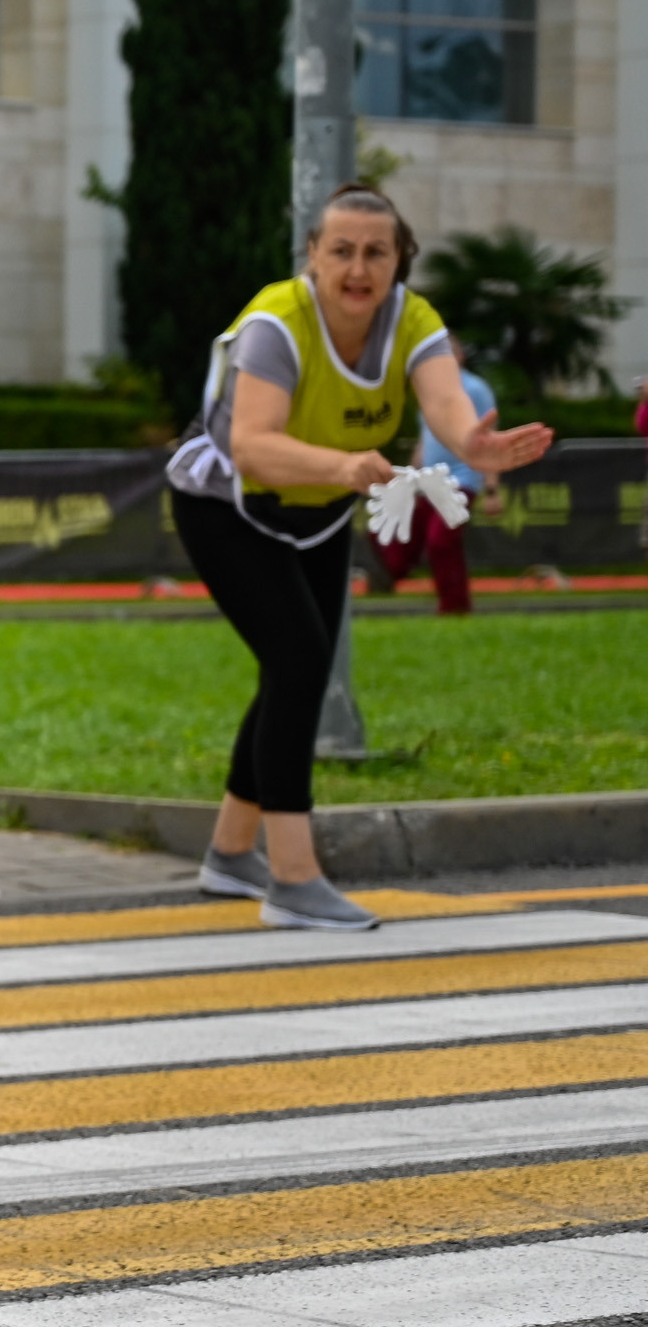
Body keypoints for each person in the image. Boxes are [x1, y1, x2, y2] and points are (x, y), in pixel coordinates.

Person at [166, 183, 551, 930]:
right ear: (311, 256)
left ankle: (230, 851)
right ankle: (292, 878)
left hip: (315, 510)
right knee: (301, 661)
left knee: (292, 666)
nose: (356, 267)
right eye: (339, 249)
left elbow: (443, 401)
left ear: (398, 262)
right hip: (225, 504)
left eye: (375, 252)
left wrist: (471, 441)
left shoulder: (412, 321)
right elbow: (251, 446)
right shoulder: (275, 323)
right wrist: (343, 468)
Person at [370, 351, 499, 614]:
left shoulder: (474, 388)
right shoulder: (428, 389)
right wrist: (408, 478)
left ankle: (455, 607)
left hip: (461, 480)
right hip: (428, 482)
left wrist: (492, 488)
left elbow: (491, 437)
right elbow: (424, 438)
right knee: (395, 535)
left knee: (441, 541)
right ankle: (387, 576)